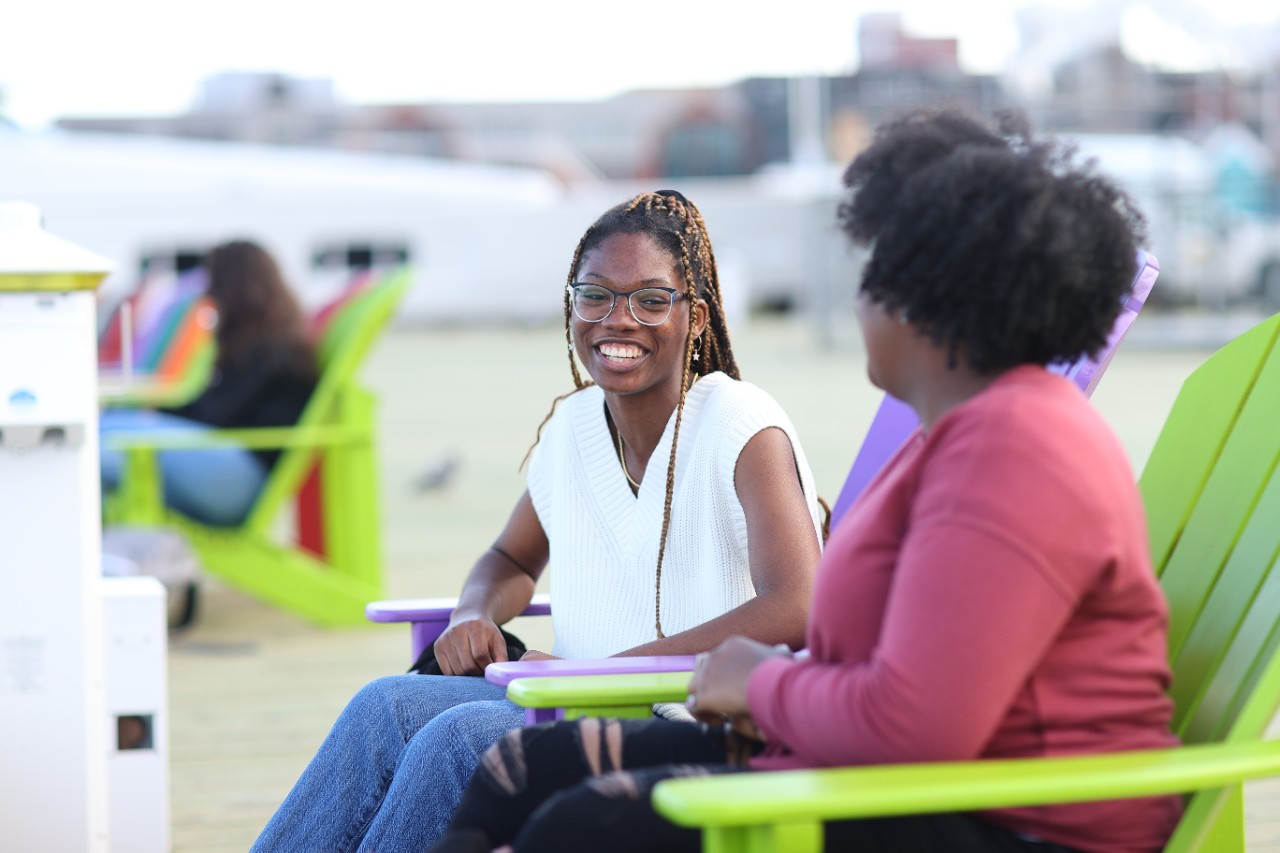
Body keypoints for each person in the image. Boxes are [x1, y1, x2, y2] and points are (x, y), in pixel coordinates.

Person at [429, 109, 1184, 853]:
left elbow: (917, 725)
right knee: (518, 769)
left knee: (581, 825)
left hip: (1013, 817)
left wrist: (758, 683)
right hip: (900, 776)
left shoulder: (1015, 456)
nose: (858, 302)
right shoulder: (957, 438)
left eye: (873, 275)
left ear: (929, 299)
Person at [249, 190, 826, 853]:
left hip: (691, 715)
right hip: (574, 695)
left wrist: (610, 672)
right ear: (572, 305)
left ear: (694, 317)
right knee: (384, 707)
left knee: (456, 739)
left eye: (650, 299)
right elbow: (512, 559)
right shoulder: (573, 429)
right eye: (597, 296)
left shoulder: (740, 422)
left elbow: (800, 601)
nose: (620, 320)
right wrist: (474, 612)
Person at [100, 239, 318, 526]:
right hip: (228, 467)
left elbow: (217, 414)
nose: (207, 293)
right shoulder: (261, 341)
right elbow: (213, 410)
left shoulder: (270, 349)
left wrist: (158, 414)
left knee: (102, 442)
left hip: (239, 478)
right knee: (107, 432)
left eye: (213, 281)